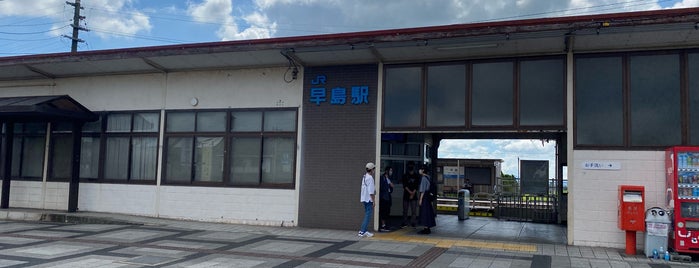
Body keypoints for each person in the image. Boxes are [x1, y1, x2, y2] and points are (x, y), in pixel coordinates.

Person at [358, 162, 376, 238]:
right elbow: (371, 192)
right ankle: (362, 231)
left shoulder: (365, 176)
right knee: (368, 216)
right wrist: (374, 201)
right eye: (374, 169)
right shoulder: (370, 178)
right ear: (371, 169)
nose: (374, 170)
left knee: (366, 215)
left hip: (364, 198)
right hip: (368, 199)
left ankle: (363, 230)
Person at [418, 165, 436, 234]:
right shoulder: (428, 177)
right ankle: (427, 227)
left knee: (424, 212)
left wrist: (420, 199)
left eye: (420, 169)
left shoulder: (423, 178)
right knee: (428, 212)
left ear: (423, 170)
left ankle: (425, 228)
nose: (419, 170)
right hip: (428, 196)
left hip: (424, 196)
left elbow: (422, 190)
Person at [401, 164, 419, 228]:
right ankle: (405, 222)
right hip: (407, 194)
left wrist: (411, 193)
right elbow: (404, 185)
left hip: (411, 194)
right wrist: (411, 193)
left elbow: (416, 186)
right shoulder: (405, 175)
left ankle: (412, 222)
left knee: (413, 210)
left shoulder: (416, 175)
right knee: (406, 210)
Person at [379, 166, 394, 232]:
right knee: (383, 212)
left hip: (388, 197)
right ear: (386, 171)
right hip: (383, 198)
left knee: (387, 212)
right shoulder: (382, 178)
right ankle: (383, 225)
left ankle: (385, 225)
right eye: (390, 170)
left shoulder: (389, 179)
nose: (391, 172)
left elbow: (391, 189)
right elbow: (382, 188)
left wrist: (390, 187)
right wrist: (388, 185)